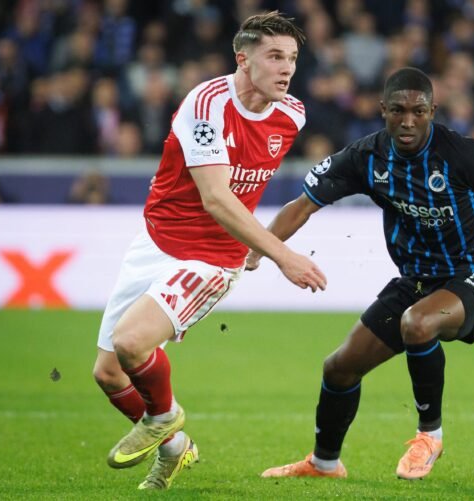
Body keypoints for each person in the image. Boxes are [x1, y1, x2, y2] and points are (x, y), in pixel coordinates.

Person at [251, 67, 474, 480]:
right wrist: (259, 250)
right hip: (416, 280)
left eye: (418, 111)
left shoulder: (463, 154)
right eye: (398, 111)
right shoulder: (366, 157)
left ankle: (429, 437)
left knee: (417, 324)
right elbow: (302, 206)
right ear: (382, 110)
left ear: (432, 111)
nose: (408, 121)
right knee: (339, 367)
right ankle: (324, 464)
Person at [91, 11, 326, 491]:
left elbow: (241, 193)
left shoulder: (293, 115)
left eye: (292, 58)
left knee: (131, 343)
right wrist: (282, 254)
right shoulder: (206, 104)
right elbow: (217, 197)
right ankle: (175, 446)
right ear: (243, 59)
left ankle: (163, 417)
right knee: (109, 373)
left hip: (213, 257)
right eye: (274, 56)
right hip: (156, 241)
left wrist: (253, 249)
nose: (286, 68)